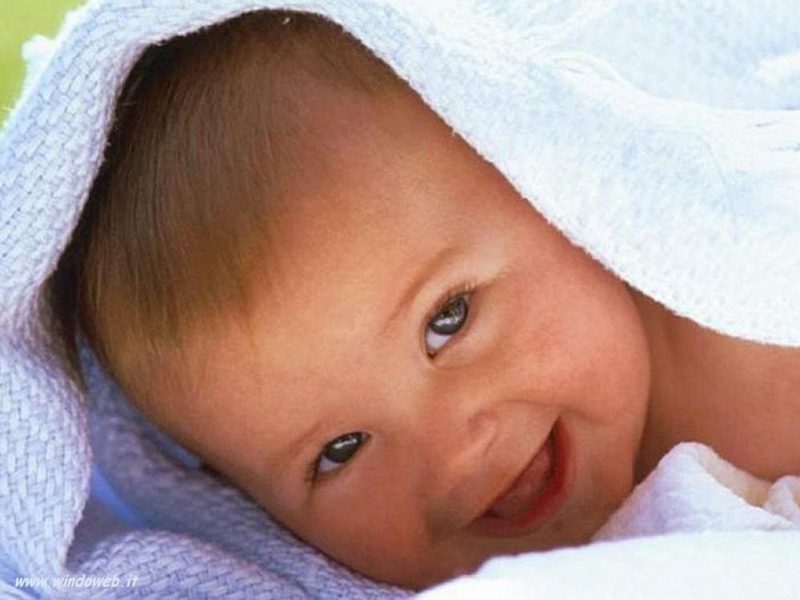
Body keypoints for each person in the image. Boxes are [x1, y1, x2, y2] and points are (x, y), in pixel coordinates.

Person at [46, 8, 800, 590]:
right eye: (339, 451)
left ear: (548, 189)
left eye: (448, 320)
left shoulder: (757, 336)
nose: (451, 449)